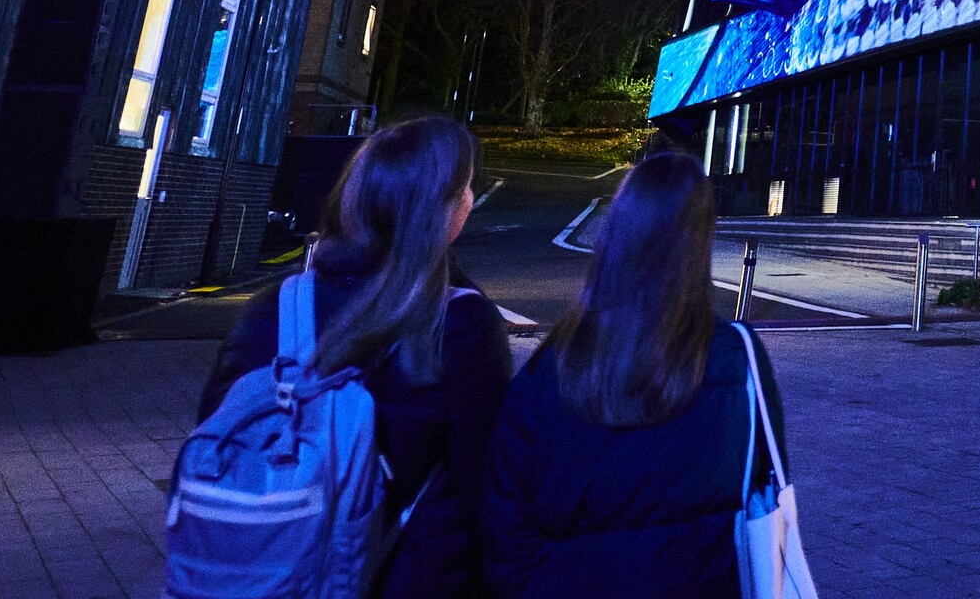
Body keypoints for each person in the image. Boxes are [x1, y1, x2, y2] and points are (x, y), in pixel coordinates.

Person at [198, 115, 513, 597]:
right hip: (405, 576)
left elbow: (216, 432)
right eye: (466, 187)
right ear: (439, 209)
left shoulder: (276, 306)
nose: (471, 199)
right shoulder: (462, 325)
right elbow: (486, 489)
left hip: (260, 572)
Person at [483, 149, 783, 598]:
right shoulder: (738, 358)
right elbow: (767, 489)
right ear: (700, 241)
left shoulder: (550, 367)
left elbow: (505, 528)